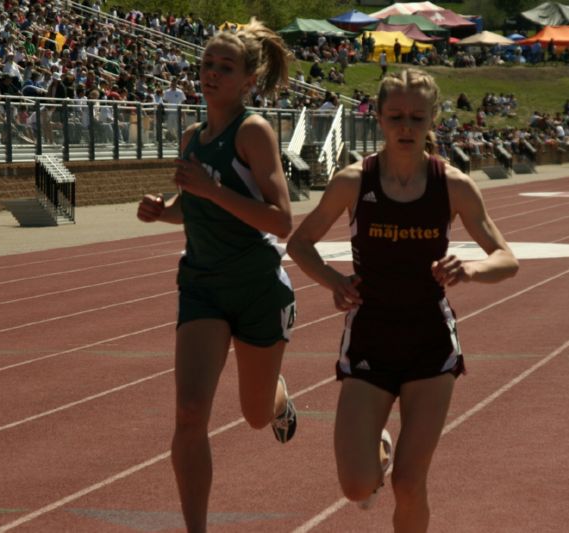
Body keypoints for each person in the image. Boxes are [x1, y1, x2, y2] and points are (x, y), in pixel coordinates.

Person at [286, 69, 519, 530]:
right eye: (396, 116)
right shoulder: (354, 181)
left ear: (433, 118)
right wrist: (334, 280)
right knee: (356, 486)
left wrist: (470, 270)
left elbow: (506, 257)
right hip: (370, 338)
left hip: (430, 344)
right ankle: (380, 448)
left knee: (410, 484)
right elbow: (300, 243)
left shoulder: (452, 185)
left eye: (417, 116)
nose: (406, 127)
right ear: (378, 117)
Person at [136, 18, 297, 533]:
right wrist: (165, 211)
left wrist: (209, 191)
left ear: (248, 80)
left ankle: (275, 394)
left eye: (225, 67)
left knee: (253, 416)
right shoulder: (192, 136)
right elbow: (197, 206)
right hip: (202, 287)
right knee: (188, 415)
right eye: (207, 63)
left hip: (256, 287)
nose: (211, 73)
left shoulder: (253, 131)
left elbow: (281, 220)